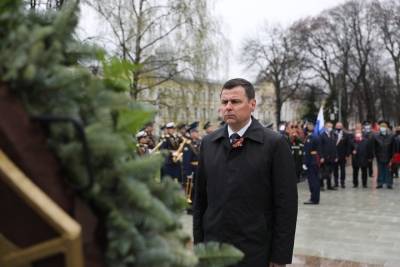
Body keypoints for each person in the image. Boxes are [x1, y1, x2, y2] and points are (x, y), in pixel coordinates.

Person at [193, 78, 298, 267]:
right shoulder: (209, 143)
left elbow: (286, 205)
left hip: (254, 250)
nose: (228, 107)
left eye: (235, 102)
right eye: (224, 102)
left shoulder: (274, 144)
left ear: (252, 104)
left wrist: (280, 255)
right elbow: (200, 200)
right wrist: (199, 245)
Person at [182, 122, 201, 208]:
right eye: (196, 132)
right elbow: (186, 160)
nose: (197, 133)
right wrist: (188, 172)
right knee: (190, 188)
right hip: (192, 169)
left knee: (198, 188)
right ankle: (189, 207)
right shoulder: (188, 144)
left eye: (197, 131)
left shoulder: (198, 142)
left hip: (198, 168)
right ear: (192, 133)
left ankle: (196, 205)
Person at [373, 120, 395, 189]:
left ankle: (389, 183)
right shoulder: (376, 136)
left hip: (389, 155)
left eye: (384, 127)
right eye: (381, 127)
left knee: (388, 170)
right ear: (380, 128)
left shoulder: (391, 136)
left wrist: (393, 156)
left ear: (386, 128)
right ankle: (380, 183)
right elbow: (374, 147)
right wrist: (375, 155)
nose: (383, 128)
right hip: (379, 155)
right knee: (380, 170)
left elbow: (393, 147)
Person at [303, 122, 321, 205]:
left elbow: (307, 151)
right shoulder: (314, 136)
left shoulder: (311, 137)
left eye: (307, 126)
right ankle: (315, 198)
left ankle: (314, 199)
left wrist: (305, 163)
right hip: (314, 161)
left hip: (311, 161)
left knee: (313, 181)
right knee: (315, 180)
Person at [319, 121, 338, 190]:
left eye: (331, 127)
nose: (330, 128)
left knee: (330, 171)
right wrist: (321, 157)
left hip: (332, 157)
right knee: (323, 172)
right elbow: (320, 147)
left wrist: (336, 156)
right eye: (328, 126)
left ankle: (329, 185)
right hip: (324, 157)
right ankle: (321, 185)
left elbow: (334, 147)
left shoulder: (333, 135)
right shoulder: (322, 135)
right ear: (325, 127)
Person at [333, 122, 350, 188]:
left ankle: (342, 182)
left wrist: (347, 154)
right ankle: (336, 182)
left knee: (343, 169)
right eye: (337, 126)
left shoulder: (345, 134)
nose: (338, 127)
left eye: (340, 126)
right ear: (335, 126)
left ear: (342, 127)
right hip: (335, 155)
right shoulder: (333, 134)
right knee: (335, 169)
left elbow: (348, 145)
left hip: (343, 155)